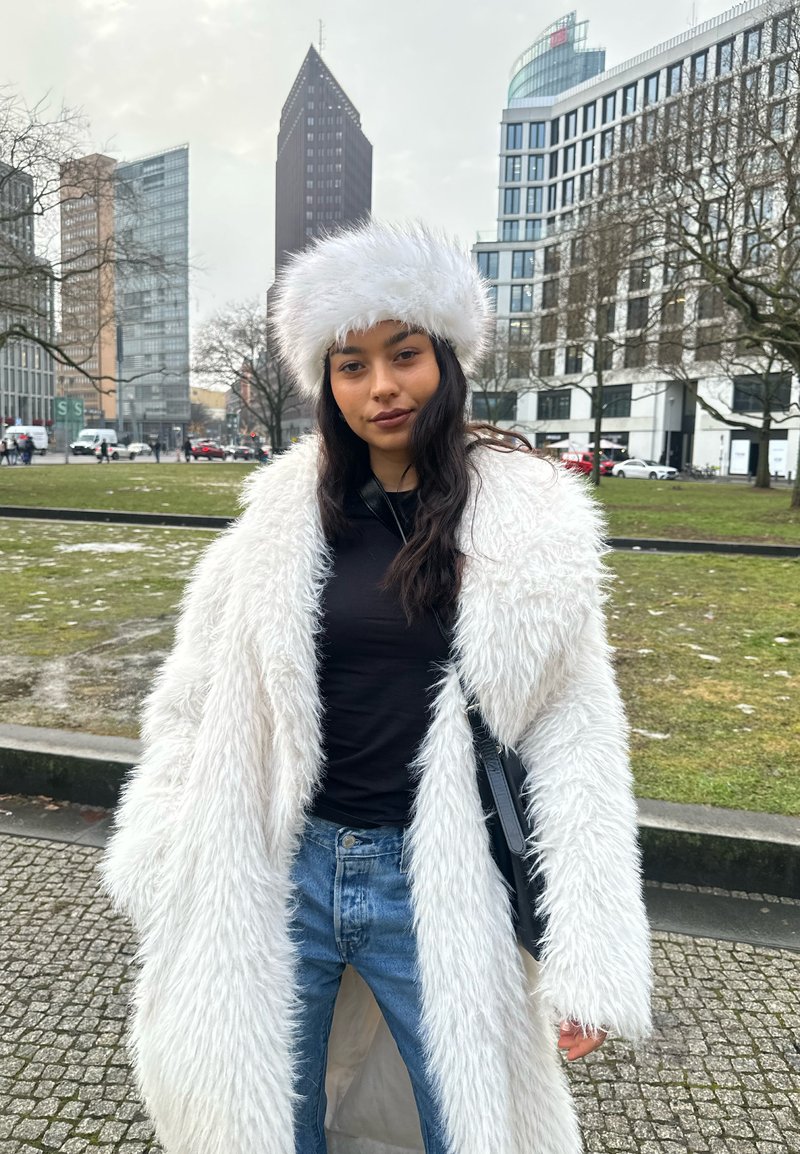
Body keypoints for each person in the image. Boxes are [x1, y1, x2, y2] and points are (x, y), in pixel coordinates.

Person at [101, 220, 653, 1154]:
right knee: (266, 1122)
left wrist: (586, 949)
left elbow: (578, 737)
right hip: (285, 870)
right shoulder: (281, 521)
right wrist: (163, 859)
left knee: (468, 1128)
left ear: (447, 358)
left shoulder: (526, 526)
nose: (381, 386)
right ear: (328, 385)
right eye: (350, 365)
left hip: (439, 881)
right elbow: (194, 705)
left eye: (404, 354)